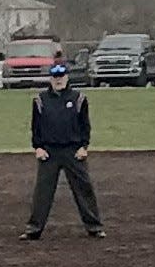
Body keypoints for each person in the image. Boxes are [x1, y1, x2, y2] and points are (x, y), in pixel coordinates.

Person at [21, 62, 105, 240]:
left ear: (67, 77)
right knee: (42, 192)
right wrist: (38, 147)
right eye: (55, 77)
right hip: (49, 152)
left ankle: (94, 226)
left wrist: (84, 146)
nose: (58, 80)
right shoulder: (40, 100)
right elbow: (35, 127)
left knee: (84, 188)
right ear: (51, 79)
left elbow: (85, 125)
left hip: (73, 151)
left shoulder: (79, 98)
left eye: (61, 77)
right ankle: (34, 229)